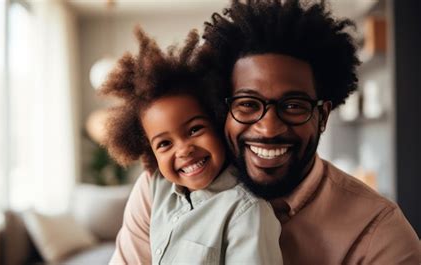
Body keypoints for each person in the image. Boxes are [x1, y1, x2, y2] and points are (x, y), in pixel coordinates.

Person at [111, 0, 421, 264]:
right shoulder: (161, 192)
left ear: (322, 116)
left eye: (294, 105)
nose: (269, 128)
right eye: (247, 104)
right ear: (222, 110)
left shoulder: (380, 235)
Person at [103, 27, 283, 264]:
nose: (184, 149)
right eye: (164, 143)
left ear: (218, 122)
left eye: (195, 129)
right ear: (150, 151)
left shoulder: (246, 211)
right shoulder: (156, 186)